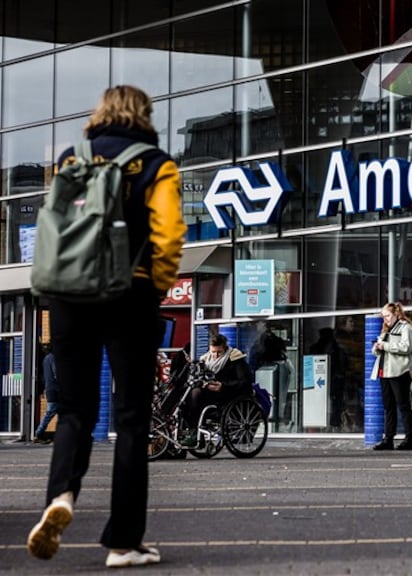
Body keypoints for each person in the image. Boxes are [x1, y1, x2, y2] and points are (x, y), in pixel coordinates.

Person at [28, 85, 186, 567]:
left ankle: (61, 497)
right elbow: (169, 232)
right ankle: (123, 542)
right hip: (128, 292)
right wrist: (156, 287)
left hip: (68, 293)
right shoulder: (156, 163)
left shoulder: (71, 160)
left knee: (75, 409)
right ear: (144, 115)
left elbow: (55, 223)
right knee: (132, 419)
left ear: (100, 113)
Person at [180, 333, 254, 447]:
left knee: (196, 394)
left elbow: (245, 381)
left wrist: (223, 386)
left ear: (224, 349)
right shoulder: (205, 359)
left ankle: (195, 434)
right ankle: (192, 431)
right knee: (186, 397)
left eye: (219, 352)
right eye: (213, 352)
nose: (215, 355)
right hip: (211, 393)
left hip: (230, 394)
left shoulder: (235, 358)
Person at [370, 302, 412, 450]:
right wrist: (377, 347)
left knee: (403, 405)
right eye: (384, 316)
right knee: (388, 406)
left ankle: (409, 438)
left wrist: (384, 346)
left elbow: (407, 347)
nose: (386, 319)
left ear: (396, 314)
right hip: (384, 371)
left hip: (399, 372)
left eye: (388, 316)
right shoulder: (386, 329)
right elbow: (376, 352)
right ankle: (388, 438)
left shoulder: (406, 328)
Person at [309, 327, 348, 430]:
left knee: (328, 402)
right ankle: (333, 424)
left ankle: (329, 423)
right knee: (334, 403)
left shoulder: (319, 348)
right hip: (332, 380)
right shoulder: (335, 348)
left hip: (329, 380)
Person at [33, 344, 59, 444]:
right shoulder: (53, 358)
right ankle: (39, 433)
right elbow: (56, 373)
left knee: (58, 412)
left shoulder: (45, 359)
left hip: (50, 389)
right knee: (50, 412)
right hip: (55, 389)